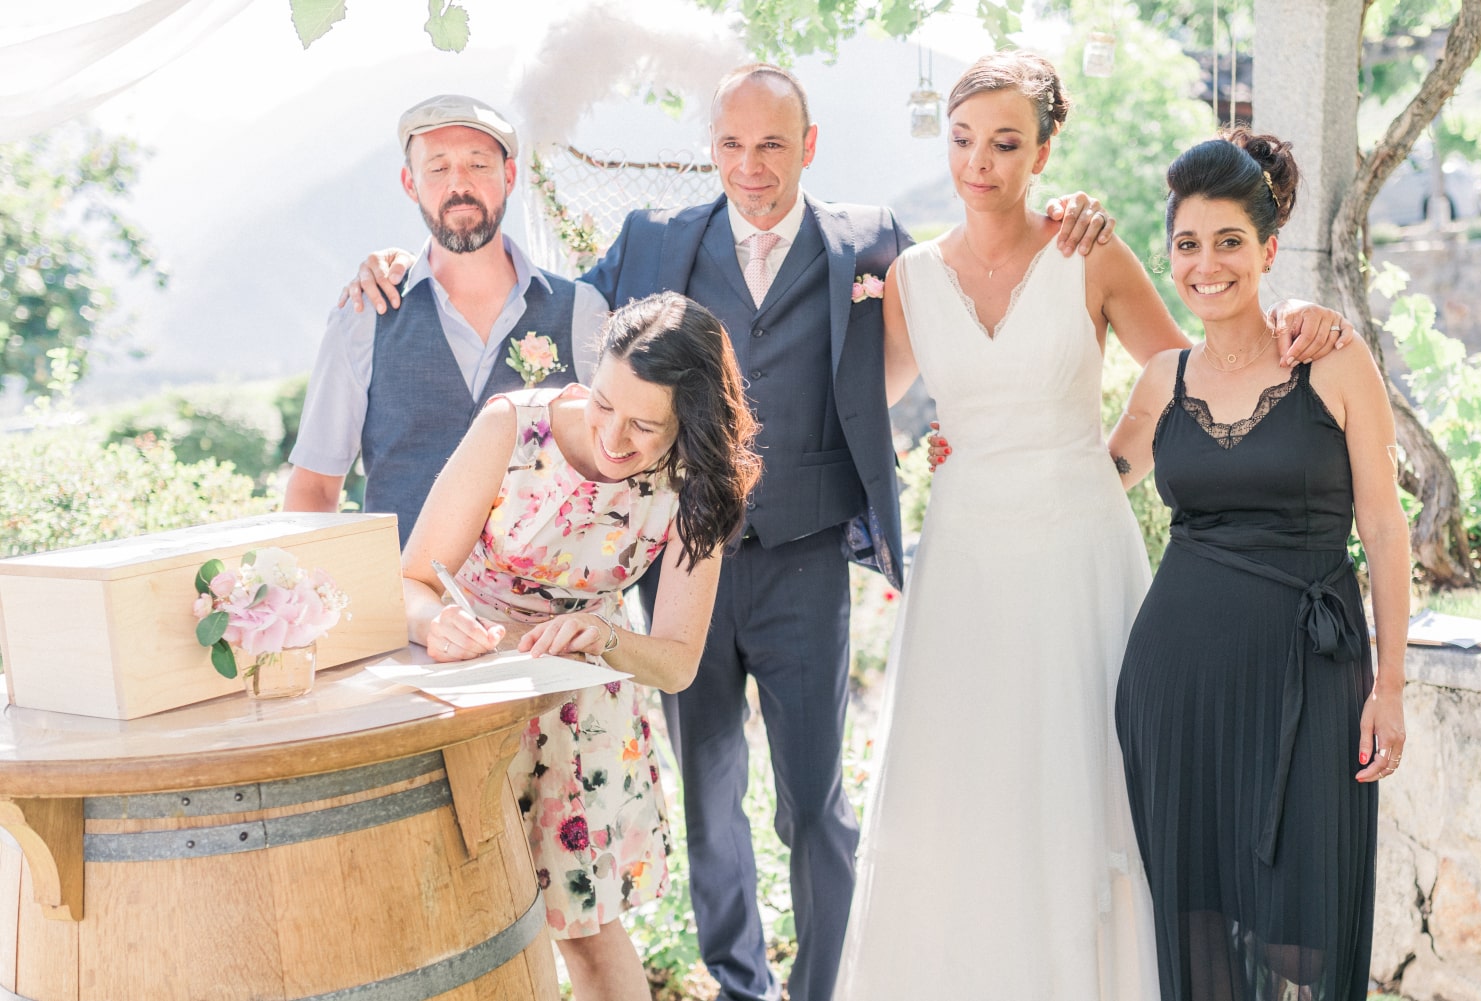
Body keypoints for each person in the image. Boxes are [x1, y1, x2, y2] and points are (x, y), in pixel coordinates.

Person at [344, 62, 1117, 1001]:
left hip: (804, 559)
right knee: (712, 802)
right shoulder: (652, 241)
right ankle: (739, 984)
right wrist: (409, 267)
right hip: (670, 575)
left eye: (774, 145)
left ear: (811, 147)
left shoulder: (866, 242)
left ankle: (823, 988)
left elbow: (972, 280)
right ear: (710, 150)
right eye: (732, 145)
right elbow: (534, 304)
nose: (751, 166)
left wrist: (1063, 218)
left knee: (813, 803)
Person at [838, 53, 1350, 1001]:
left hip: (1077, 544)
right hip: (966, 561)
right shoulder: (908, 275)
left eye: (1004, 143)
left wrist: (1294, 322)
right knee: (967, 780)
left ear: (1045, 150)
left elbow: (1199, 375)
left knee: (1090, 776)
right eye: (961, 141)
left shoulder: (1091, 251)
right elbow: (860, 411)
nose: (978, 163)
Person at [1108, 130, 1408, 1001]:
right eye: (1189, 245)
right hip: (1177, 683)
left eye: (1230, 242)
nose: (1208, 265)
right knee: (1198, 920)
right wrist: (976, 453)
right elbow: (1091, 482)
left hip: (1311, 674)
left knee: (1304, 934)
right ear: (1171, 257)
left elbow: (1386, 531)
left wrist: (1390, 684)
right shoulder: (1160, 381)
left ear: (1268, 249)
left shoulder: (1333, 359)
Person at [402, 291, 760, 1001]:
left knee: (589, 931)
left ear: (688, 424)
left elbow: (678, 663)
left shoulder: (698, 485)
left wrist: (606, 636)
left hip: (584, 710)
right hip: (475, 691)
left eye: (644, 425)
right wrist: (432, 622)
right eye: (602, 404)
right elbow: (414, 579)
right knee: (465, 924)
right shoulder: (513, 427)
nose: (613, 436)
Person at [284, 94, 608, 546]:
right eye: (437, 168)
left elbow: (615, 470)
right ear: (410, 184)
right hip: (404, 608)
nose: (459, 184)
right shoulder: (363, 316)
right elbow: (314, 490)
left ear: (509, 176)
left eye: (478, 165)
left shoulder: (583, 311)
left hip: (547, 610)